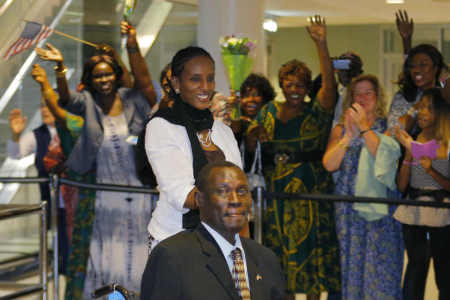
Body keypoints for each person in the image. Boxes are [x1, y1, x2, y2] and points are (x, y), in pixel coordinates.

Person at [36, 33, 154, 297]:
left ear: (116, 74)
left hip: (137, 195)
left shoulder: (132, 98)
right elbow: (64, 100)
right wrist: (59, 68)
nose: (104, 80)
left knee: (135, 257)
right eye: (98, 76)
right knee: (107, 258)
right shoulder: (86, 102)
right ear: (91, 80)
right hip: (105, 197)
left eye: (108, 74)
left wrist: (128, 47)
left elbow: (144, 81)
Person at [246, 16, 340, 300]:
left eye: (300, 85)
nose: (295, 90)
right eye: (289, 85)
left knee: (311, 250)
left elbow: (331, 90)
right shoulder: (269, 111)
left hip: (310, 192)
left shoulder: (316, 111)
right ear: (281, 85)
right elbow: (251, 142)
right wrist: (254, 132)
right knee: (279, 252)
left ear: (307, 86)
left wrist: (321, 44)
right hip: (277, 196)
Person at [140, 161, 286, 300]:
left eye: (242, 191)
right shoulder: (172, 256)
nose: (235, 200)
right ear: (199, 199)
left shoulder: (267, 259)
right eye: (223, 191)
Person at [144, 46, 242, 252]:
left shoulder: (223, 131)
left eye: (210, 78)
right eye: (195, 79)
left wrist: (244, 251)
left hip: (223, 241)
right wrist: (233, 198)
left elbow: (239, 191)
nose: (205, 87)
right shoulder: (161, 126)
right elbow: (182, 195)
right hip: (174, 240)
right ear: (177, 83)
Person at [323, 74, 404, 299]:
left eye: (368, 92)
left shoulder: (388, 126)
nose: (363, 97)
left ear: (377, 97)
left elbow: (384, 159)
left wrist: (365, 128)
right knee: (353, 264)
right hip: (348, 207)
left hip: (381, 209)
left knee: (381, 267)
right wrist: (348, 136)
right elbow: (329, 164)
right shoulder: (340, 129)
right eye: (358, 93)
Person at [394, 88, 450, 300]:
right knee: (416, 267)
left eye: (429, 108)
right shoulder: (415, 139)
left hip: (441, 213)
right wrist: (408, 155)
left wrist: (412, 147)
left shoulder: (445, 142)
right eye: (421, 107)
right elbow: (401, 186)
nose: (423, 113)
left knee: (444, 272)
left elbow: (436, 153)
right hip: (414, 211)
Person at [388, 44, 445, 133]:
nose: (416, 70)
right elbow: (394, 132)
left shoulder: (444, 95)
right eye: (412, 66)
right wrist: (416, 109)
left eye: (423, 64)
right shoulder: (403, 96)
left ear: (435, 68)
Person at [231, 73, 276, 172]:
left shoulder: (271, 122)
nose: (251, 99)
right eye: (246, 96)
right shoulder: (236, 124)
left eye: (256, 95)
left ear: (265, 98)